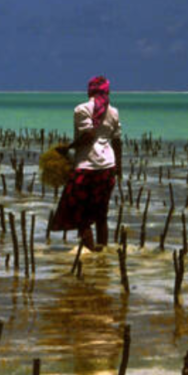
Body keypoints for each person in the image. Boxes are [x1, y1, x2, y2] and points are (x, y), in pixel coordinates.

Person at [50, 75, 122, 251]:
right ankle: (102, 254)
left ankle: (90, 253)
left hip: (86, 168)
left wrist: (68, 148)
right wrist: (118, 167)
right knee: (100, 215)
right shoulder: (113, 112)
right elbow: (117, 142)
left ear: (89, 91)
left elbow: (88, 136)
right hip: (107, 168)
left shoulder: (82, 109)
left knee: (81, 216)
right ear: (107, 91)